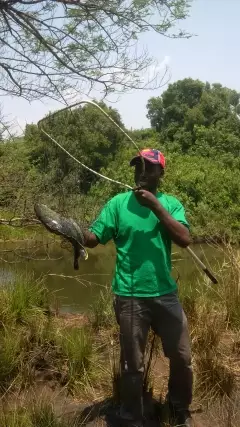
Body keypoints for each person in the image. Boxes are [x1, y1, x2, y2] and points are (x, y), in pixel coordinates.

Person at [83, 148, 193, 427]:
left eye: (149, 167)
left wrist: (156, 206)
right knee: (133, 364)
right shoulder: (117, 204)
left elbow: (184, 238)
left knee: (182, 357)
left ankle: (178, 410)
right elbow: (94, 238)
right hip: (129, 295)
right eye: (138, 166)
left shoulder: (171, 204)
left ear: (161, 173)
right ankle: (132, 415)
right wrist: (71, 230)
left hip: (165, 293)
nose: (142, 171)